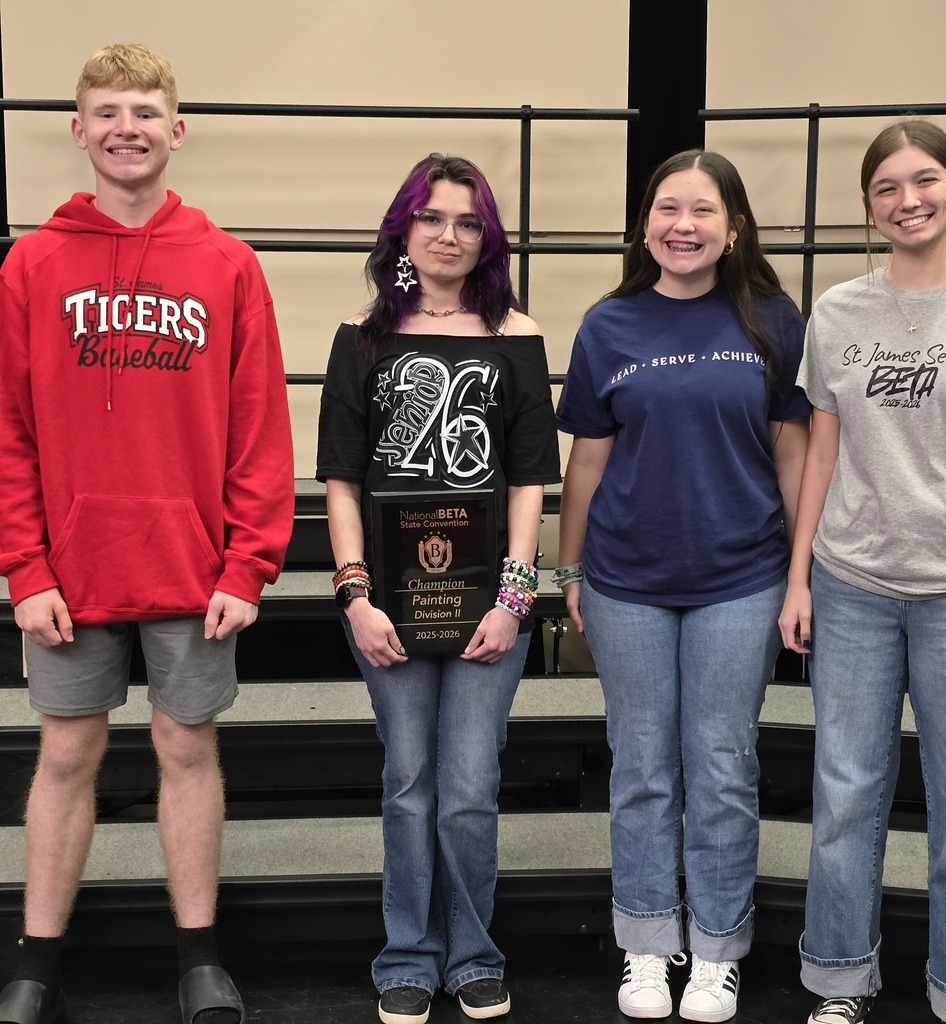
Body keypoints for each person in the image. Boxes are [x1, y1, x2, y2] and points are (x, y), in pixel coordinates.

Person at [0, 44, 294, 1024]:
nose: (126, 128)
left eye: (143, 110)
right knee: (65, 755)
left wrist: (249, 563)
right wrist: (24, 565)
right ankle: (36, 963)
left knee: (186, 748)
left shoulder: (228, 265)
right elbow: (8, 430)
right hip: (68, 567)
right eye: (107, 111)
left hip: (193, 565)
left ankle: (199, 958)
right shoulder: (31, 264)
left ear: (178, 128)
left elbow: (260, 430)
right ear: (78, 130)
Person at [555, 149, 811, 1021]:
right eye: (668, 208)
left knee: (723, 767)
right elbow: (587, 462)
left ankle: (716, 951)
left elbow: (792, 456)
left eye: (703, 210)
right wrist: (570, 569)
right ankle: (645, 944)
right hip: (626, 580)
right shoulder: (609, 325)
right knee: (640, 768)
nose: (684, 225)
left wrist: (800, 575)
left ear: (733, 228)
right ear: (646, 225)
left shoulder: (773, 321)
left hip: (741, 578)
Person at [778, 120, 946, 1024]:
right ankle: (841, 980)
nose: (907, 200)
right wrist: (799, 578)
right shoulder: (838, 312)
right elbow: (820, 455)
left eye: (924, 182)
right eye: (887, 187)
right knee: (846, 795)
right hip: (852, 584)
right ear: (868, 206)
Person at [316, 152, 560, 1024]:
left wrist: (515, 598)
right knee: (408, 781)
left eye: (467, 222)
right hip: (386, 603)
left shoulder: (516, 334)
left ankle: (474, 955)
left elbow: (529, 479)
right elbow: (340, 480)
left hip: (491, 602)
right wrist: (355, 596)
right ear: (403, 229)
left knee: (467, 789)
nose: (448, 235)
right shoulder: (360, 336)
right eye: (431, 218)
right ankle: (407, 956)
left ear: (487, 239)